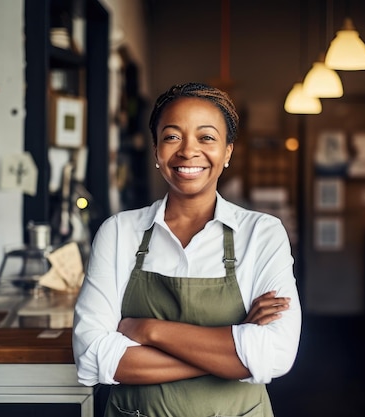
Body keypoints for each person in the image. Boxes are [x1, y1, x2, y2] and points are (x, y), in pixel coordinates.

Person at [73, 82, 302, 417]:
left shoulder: (262, 234)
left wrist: (147, 330)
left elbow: (276, 355)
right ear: (156, 150)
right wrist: (234, 353)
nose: (188, 151)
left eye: (206, 137)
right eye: (172, 136)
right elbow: (92, 354)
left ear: (227, 152)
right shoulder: (120, 232)